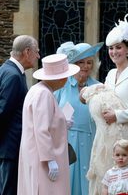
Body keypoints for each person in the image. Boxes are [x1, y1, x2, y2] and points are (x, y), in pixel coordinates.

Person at [86, 14, 128, 195]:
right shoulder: (110, 74)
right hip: (108, 137)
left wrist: (118, 115)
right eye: (111, 48)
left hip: (127, 135)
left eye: (118, 47)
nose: (114, 52)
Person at [17, 53, 80, 195]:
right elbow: (41, 129)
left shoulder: (38, 90)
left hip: (37, 153)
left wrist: (63, 124)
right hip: (43, 158)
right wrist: (49, 159)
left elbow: (44, 123)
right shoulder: (43, 94)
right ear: (59, 78)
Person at [54, 41, 104, 195]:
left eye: (89, 62)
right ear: (73, 64)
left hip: (92, 141)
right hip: (67, 143)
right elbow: (50, 114)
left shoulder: (98, 87)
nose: (86, 66)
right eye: (81, 62)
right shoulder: (61, 86)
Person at [0, 35, 40, 195]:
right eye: (36, 52)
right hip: (9, 148)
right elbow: (2, 112)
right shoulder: (14, 76)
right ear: (27, 52)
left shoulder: (6, 69)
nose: (38, 56)